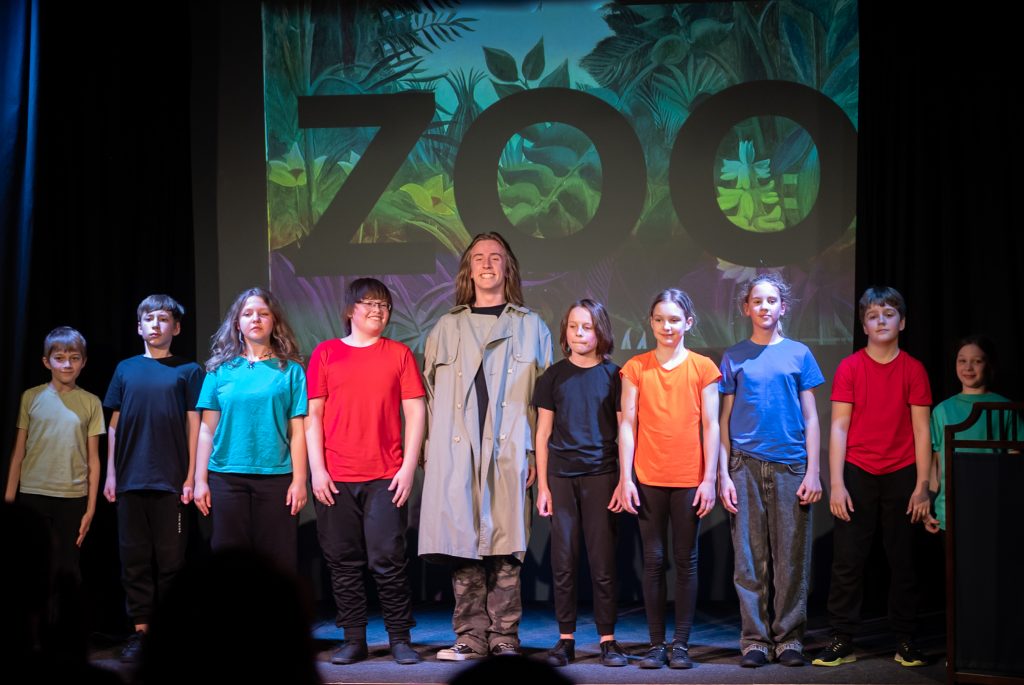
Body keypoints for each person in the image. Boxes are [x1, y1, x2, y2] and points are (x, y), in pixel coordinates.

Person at [419, 232, 553, 660]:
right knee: (463, 544)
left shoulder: (531, 326)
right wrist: (431, 453)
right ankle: (470, 637)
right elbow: (429, 396)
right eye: (478, 257)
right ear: (469, 269)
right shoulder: (447, 326)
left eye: (496, 257)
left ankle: (504, 636)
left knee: (506, 545)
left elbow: (545, 401)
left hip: (510, 450)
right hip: (457, 452)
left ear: (507, 267)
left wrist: (535, 455)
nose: (487, 264)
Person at [305, 278, 425, 666]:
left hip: (386, 475)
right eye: (369, 303)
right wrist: (317, 470)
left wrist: (408, 468)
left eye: (384, 305)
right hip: (336, 475)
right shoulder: (326, 353)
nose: (377, 310)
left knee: (388, 559)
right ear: (350, 310)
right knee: (343, 562)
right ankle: (354, 639)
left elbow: (415, 412)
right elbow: (313, 415)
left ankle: (400, 638)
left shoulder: (399, 354)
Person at [812, 286, 932, 668]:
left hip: (902, 473)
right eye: (873, 316)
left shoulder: (913, 369)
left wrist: (922, 487)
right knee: (847, 561)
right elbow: (838, 427)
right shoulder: (850, 367)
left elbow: (922, 431)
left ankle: (906, 639)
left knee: (904, 560)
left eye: (889, 314)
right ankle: (842, 639)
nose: (881, 321)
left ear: (902, 322)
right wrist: (836, 484)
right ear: (864, 325)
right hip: (858, 472)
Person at [717, 274, 824, 667]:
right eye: (757, 301)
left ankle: (789, 638)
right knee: (750, 559)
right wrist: (723, 473)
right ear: (746, 308)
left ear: (783, 307)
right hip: (744, 465)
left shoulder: (799, 354)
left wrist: (813, 471)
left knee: (791, 558)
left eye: (772, 300)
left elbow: (811, 418)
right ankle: (755, 641)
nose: (764, 307)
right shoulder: (734, 356)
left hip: (790, 466)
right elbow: (723, 420)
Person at [612, 289, 721, 670]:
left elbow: (711, 425)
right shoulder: (636, 367)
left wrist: (709, 479)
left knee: (686, 560)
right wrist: (626, 478)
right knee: (654, 561)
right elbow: (627, 424)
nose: (667, 326)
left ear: (688, 322)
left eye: (674, 319)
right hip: (648, 476)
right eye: (660, 319)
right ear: (651, 322)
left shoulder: (703, 368)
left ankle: (681, 645)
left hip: (689, 477)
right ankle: (657, 644)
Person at [102, 295, 204, 662]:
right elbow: (113, 426)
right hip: (130, 480)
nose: (156, 325)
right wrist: (111, 474)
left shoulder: (188, 370)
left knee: (172, 561)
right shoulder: (125, 369)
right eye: (149, 319)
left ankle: (170, 631)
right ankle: (141, 632)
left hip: (171, 481)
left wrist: (190, 476)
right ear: (139, 326)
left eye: (163, 319)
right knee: (135, 560)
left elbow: (195, 426)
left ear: (176, 327)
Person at [533, 299, 627, 668]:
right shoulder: (553, 377)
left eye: (587, 327)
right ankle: (566, 639)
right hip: (561, 477)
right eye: (573, 326)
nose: (579, 333)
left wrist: (623, 480)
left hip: (601, 475)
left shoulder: (615, 376)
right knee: (563, 562)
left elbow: (624, 432)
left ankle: (608, 640)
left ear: (600, 331)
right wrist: (543, 487)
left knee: (603, 561)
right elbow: (543, 434)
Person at [193, 287, 308, 571]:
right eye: (248, 314)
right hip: (226, 477)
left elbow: (297, 431)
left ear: (274, 321)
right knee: (230, 560)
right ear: (237, 323)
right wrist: (200, 479)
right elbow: (206, 430)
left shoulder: (290, 370)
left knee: (278, 560)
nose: (255, 319)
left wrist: (299, 480)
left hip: (276, 477)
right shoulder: (219, 370)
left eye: (263, 314)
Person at [5, 327, 104, 582]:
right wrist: (9, 501)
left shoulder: (91, 402)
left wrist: (91, 508)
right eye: (59, 358)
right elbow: (18, 452)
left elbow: (93, 459)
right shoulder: (31, 397)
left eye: (74, 358)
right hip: (33, 493)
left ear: (84, 362)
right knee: (29, 568)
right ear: (46, 362)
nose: (67, 365)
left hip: (72, 496)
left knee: (67, 568)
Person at [927, 336, 1019, 533]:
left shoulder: (1006, 408)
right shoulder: (942, 410)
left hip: (995, 509)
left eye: (977, 361)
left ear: (989, 365)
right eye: (962, 360)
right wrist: (930, 503)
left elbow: (1015, 462)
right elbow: (937, 465)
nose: (968, 367)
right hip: (950, 512)